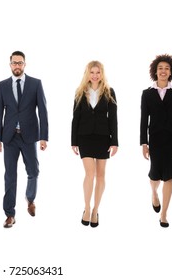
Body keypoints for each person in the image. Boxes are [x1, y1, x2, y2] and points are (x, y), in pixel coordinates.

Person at [0, 51, 48, 228]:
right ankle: (10, 214)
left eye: (20, 63)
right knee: (10, 176)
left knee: (33, 171)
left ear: (25, 64)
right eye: (14, 63)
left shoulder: (35, 84)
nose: (17, 66)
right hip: (9, 137)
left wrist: (43, 137)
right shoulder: (2, 86)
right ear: (10, 65)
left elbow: (43, 111)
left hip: (29, 136)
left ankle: (30, 198)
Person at [140, 54, 172, 228]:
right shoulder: (147, 94)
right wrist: (143, 143)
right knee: (155, 175)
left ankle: (164, 214)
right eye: (160, 68)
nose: (163, 71)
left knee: (169, 176)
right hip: (155, 140)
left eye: (167, 68)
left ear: (171, 72)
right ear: (155, 71)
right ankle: (154, 193)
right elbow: (143, 119)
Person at [71, 61, 118, 228]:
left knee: (101, 175)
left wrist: (115, 142)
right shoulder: (80, 92)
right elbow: (75, 118)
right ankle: (86, 207)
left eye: (98, 72)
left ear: (102, 73)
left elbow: (113, 118)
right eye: (92, 72)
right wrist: (74, 141)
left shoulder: (109, 92)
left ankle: (95, 210)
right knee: (89, 174)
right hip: (84, 137)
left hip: (103, 137)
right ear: (87, 73)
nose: (95, 75)